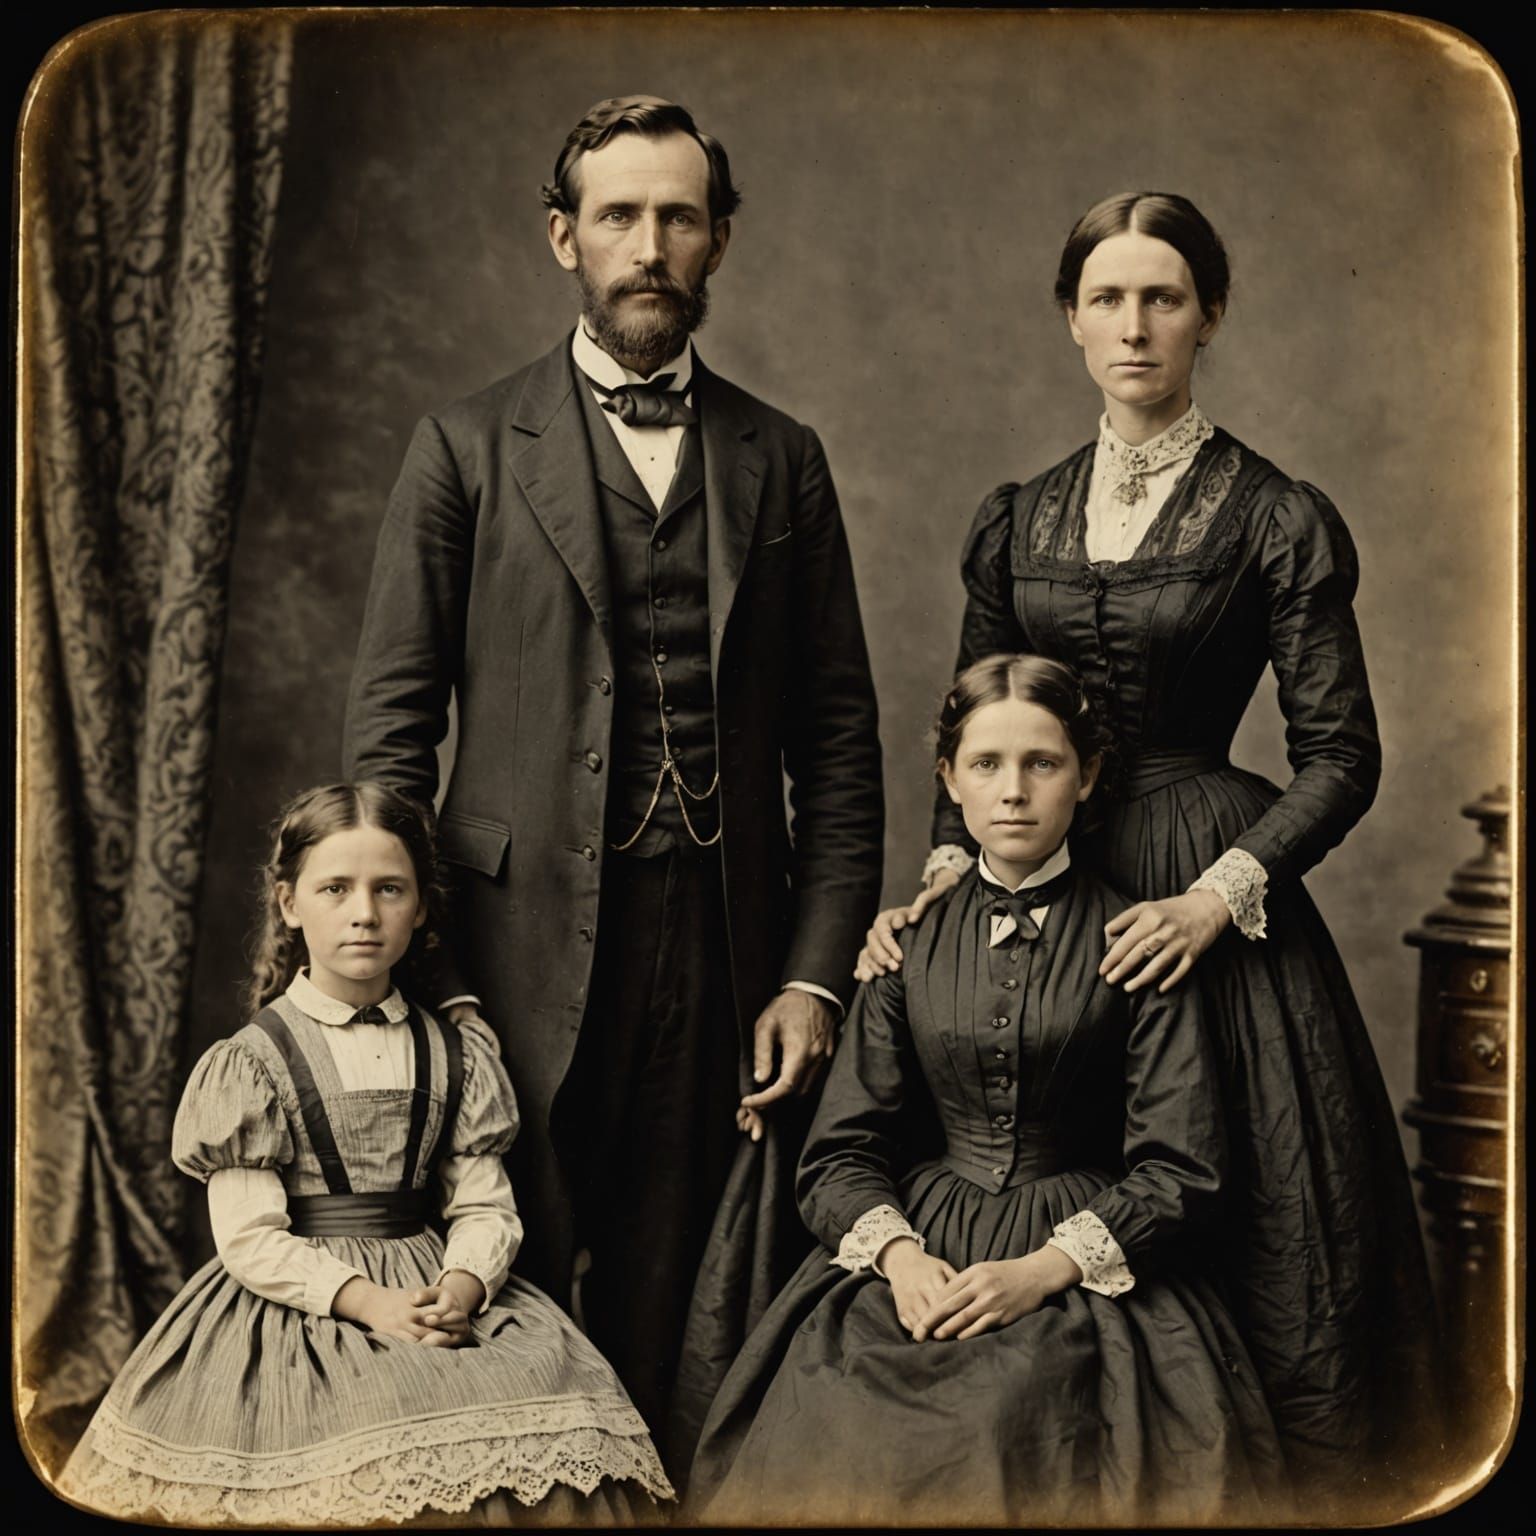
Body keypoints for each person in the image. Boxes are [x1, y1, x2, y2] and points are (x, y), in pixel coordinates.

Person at [856, 192, 1441, 1511]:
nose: (1136, 325)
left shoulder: (1272, 512)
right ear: (1070, 320)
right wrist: (941, 893)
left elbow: (1343, 757)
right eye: (1109, 298)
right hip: (1038, 873)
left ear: (1209, 316)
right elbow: (973, 728)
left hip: (1198, 883)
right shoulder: (1021, 516)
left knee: (1247, 1210)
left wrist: (1217, 900)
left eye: (1163, 298)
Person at [342, 96, 883, 1458]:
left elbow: (838, 745)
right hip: (506, 952)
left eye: (680, 218)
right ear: (562, 238)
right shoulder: (465, 447)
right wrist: (437, 979)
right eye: (620, 217)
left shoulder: (783, 458)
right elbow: (391, 744)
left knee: (680, 1308)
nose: (650, 245)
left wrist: (812, 978)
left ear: (719, 242)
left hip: (721, 952)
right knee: (498, 1285)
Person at [688, 655, 1290, 1525]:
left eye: (1042, 764)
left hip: (1075, 1261)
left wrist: (1041, 1273)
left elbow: (1181, 1169)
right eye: (986, 765)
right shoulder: (904, 949)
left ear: (1085, 778)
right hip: (921, 1249)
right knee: (847, 1423)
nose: (1013, 792)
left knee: (1017, 1429)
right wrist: (899, 1262)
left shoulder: (1140, 943)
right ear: (951, 782)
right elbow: (841, 1155)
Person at [57, 782, 672, 1526]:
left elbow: (483, 1204)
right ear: (289, 904)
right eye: (335, 889)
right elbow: (249, 1238)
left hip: (432, 1285)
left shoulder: (456, 1054)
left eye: (389, 890)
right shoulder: (254, 1062)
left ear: (419, 908)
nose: (363, 913)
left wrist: (465, 1285)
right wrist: (368, 1302)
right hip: (306, 1306)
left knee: (558, 1413)